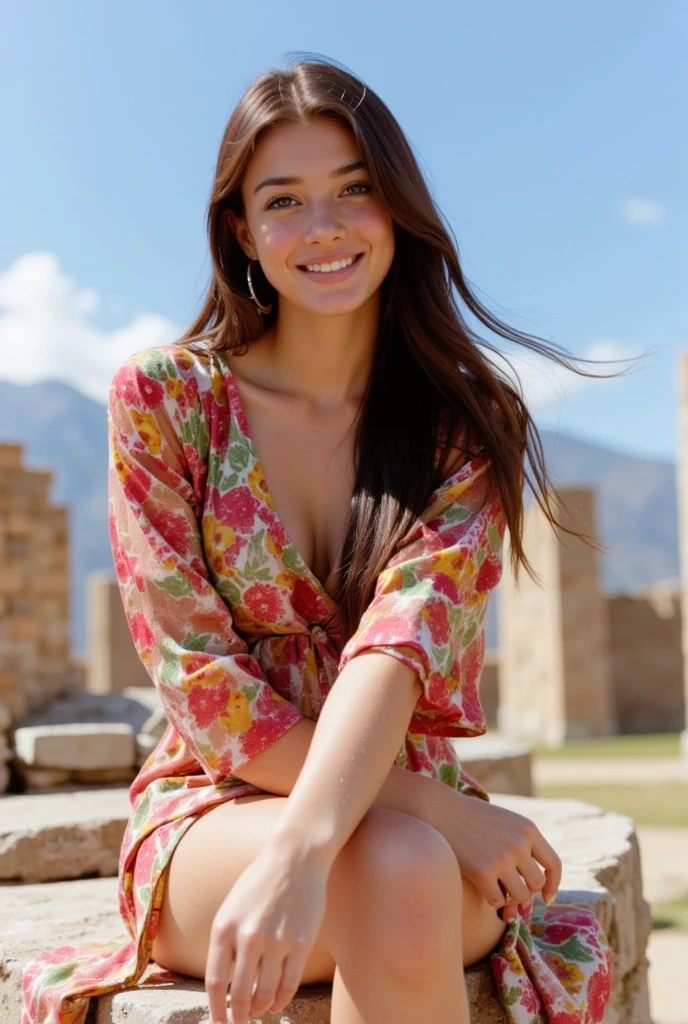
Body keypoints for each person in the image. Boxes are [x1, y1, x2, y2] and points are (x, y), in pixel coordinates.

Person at [21, 54, 627, 1024]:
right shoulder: (165, 402)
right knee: (400, 856)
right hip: (216, 810)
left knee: (397, 870)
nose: (325, 227)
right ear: (242, 232)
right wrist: (426, 808)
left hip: (403, 819)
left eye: (354, 190)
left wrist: (316, 846)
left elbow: (400, 648)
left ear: (397, 207)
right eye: (285, 200)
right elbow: (197, 676)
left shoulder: (461, 430)